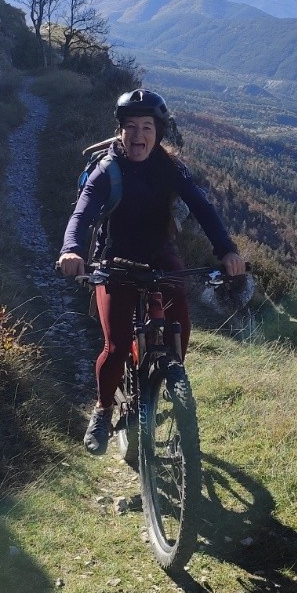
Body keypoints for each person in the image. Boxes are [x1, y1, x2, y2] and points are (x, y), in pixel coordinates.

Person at [57, 88, 247, 453]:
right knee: (115, 345)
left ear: (159, 132)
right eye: (131, 127)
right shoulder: (107, 171)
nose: (138, 135)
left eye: (147, 127)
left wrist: (227, 251)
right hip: (115, 259)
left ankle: (171, 379)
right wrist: (71, 250)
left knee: (180, 322)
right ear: (120, 131)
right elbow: (81, 213)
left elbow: (203, 209)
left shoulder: (171, 169)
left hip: (160, 254)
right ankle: (103, 409)